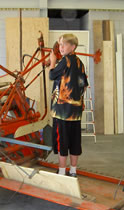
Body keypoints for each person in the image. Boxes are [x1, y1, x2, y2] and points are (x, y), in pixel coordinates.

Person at [49, 34, 89, 177]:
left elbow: (51, 75)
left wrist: (52, 61)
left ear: (72, 47)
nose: (60, 48)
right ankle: (73, 171)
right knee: (75, 141)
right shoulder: (80, 63)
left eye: (63, 45)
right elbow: (84, 86)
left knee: (62, 142)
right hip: (76, 112)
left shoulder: (65, 61)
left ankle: (61, 172)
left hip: (62, 111)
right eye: (59, 45)